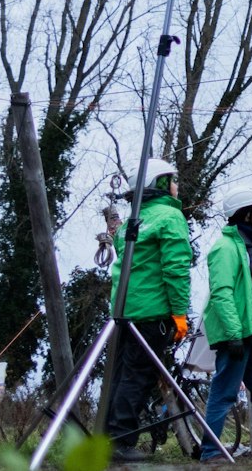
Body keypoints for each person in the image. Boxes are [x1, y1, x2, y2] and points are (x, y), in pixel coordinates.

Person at [107, 158, 192, 463]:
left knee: (118, 376)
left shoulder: (134, 220)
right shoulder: (170, 218)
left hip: (122, 312)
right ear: (159, 183)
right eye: (173, 179)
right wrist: (180, 314)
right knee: (138, 377)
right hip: (152, 313)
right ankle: (120, 441)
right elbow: (176, 268)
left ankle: (107, 438)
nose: (177, 186)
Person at [200, 186, 252, 461]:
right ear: (245, 214)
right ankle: (211, 451)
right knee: (224, 393)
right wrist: (234, 334)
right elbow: (222, 292)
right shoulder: (225, 248)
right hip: (236, 336)